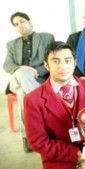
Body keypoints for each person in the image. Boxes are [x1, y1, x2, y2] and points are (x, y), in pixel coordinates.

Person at [24, 41, 85, 169]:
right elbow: (37, 141)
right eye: (56, 61)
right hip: (59, 158)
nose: (63, 67)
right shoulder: (33, 99)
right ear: (46, 65)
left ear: (74, 63)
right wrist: (73, 153)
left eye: (67, 60)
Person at [3, 11, 54, 152]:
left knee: (23, 96)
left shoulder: (46, 37)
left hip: (37, 79)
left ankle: (27, 136)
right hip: (17, 80)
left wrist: (35, 71)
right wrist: (23, 68)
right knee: (20, 73)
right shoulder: (11, 44)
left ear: (30, 22)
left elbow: (50, 60)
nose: (20, 26)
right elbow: (7, 65)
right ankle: (45, 110)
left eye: (22, 21)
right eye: (16, 24)